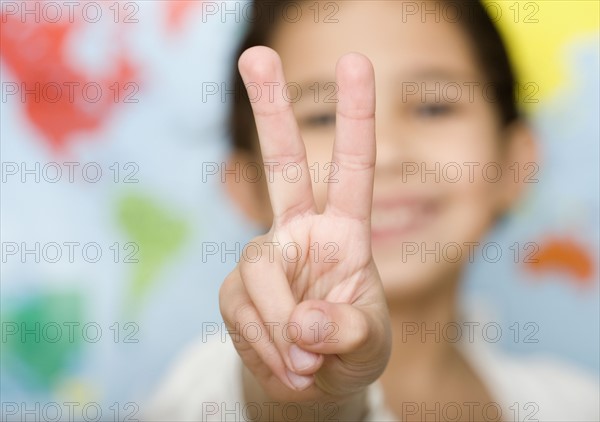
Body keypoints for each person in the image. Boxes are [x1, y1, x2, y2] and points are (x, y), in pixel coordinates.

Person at [146, 1, 599, 420]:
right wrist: (303, 399)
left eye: (433, 107)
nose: (383, 154)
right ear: (246, 186)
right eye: (323, 117)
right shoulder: (205, 391)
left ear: (515, 163)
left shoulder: (575, 403)